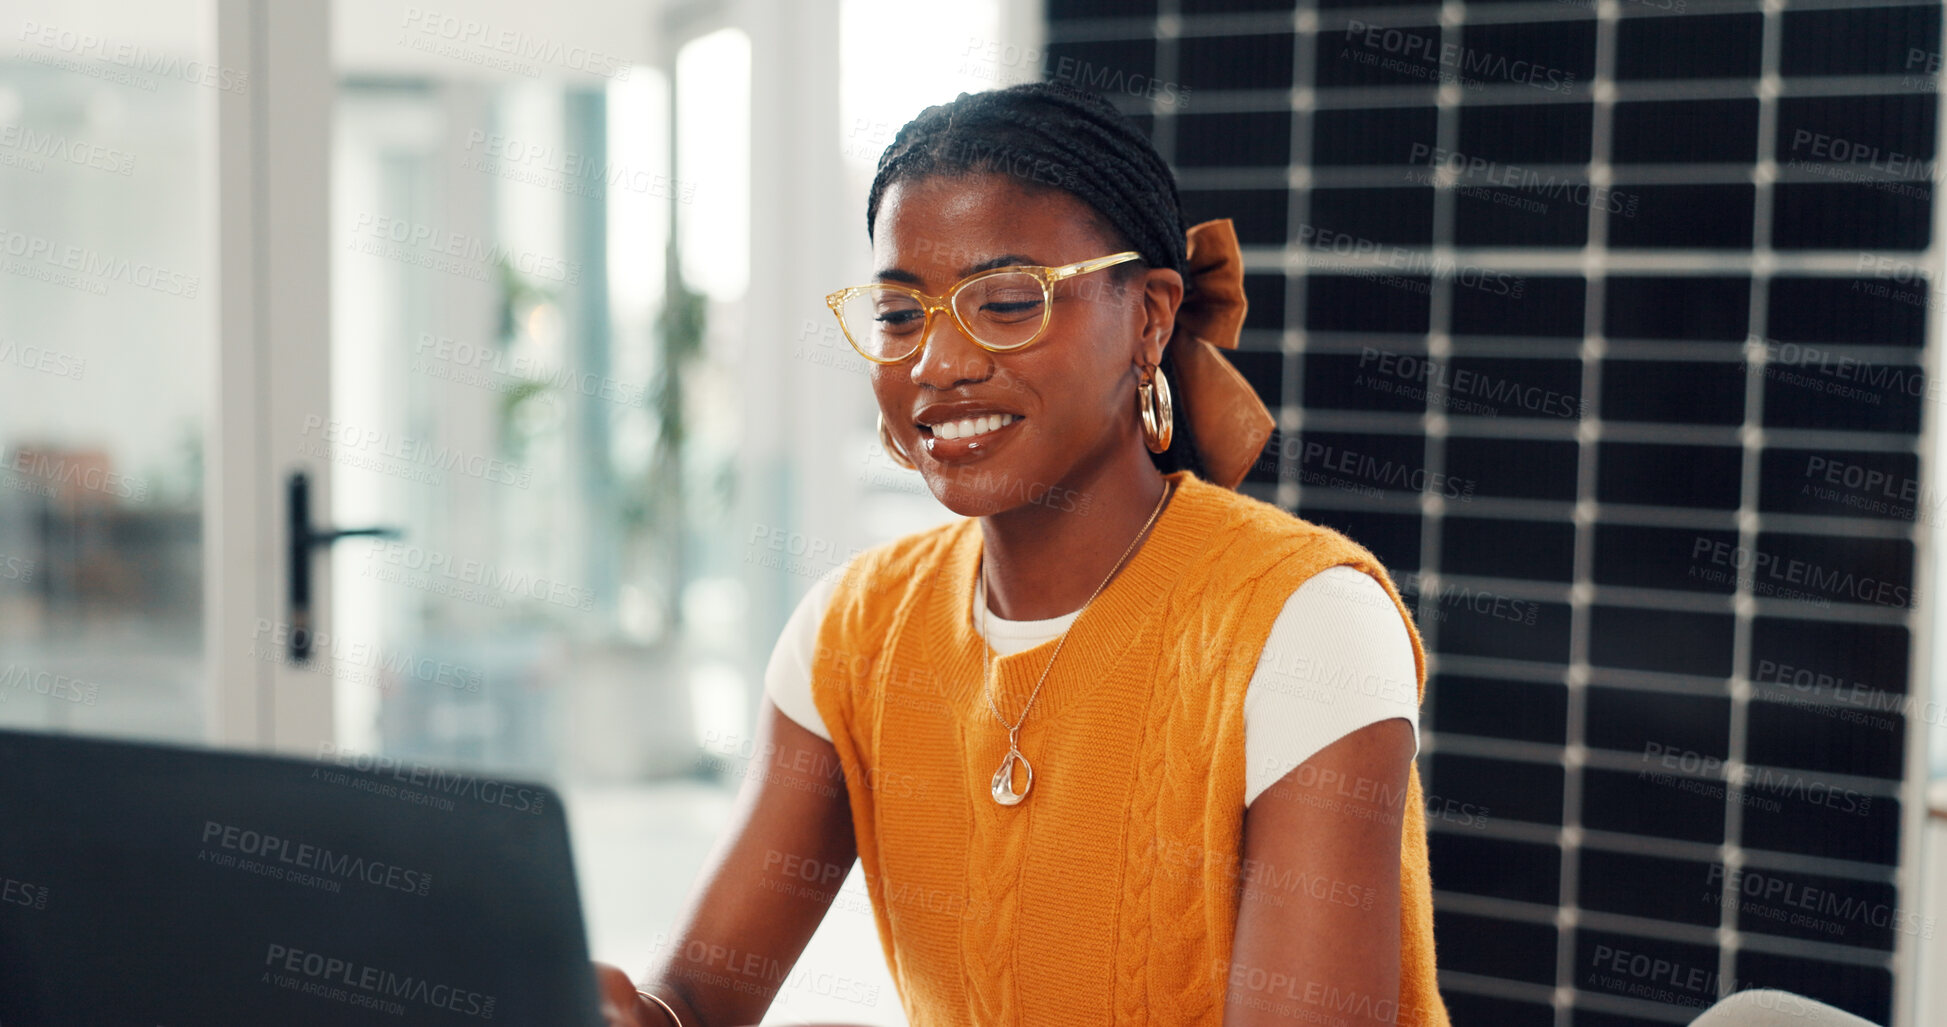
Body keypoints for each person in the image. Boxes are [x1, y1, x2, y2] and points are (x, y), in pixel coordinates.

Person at [597, 80, 1449, 1027]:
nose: (937, 361)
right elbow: (696, 1000)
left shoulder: (1305, 620)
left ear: (1150, 318)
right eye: (898, 315)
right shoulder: (851, 630)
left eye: (1005, 302)